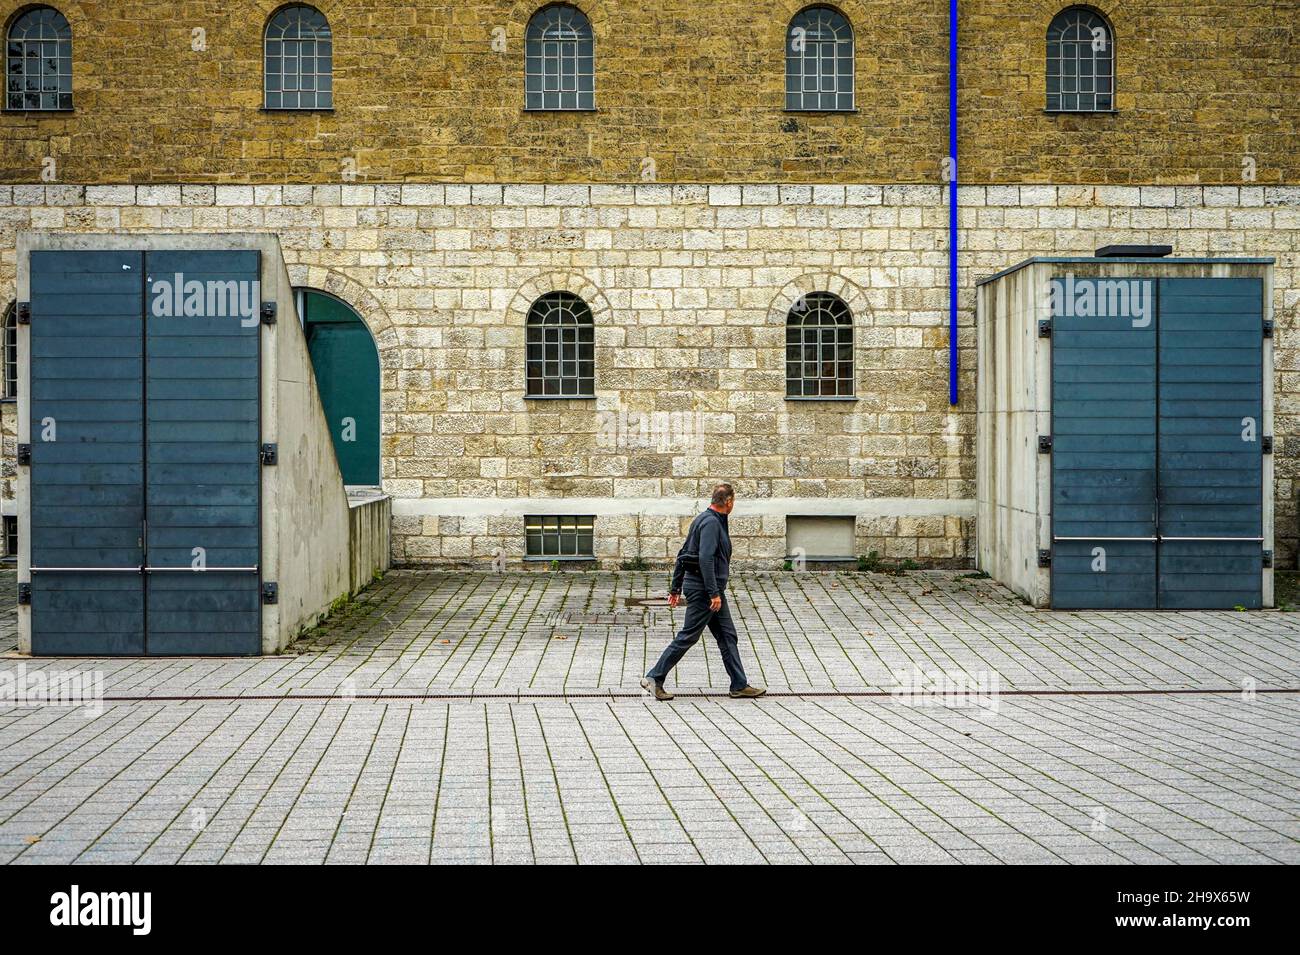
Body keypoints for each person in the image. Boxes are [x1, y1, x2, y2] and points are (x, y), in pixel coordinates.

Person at [641, 483, 766, 701]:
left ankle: (739, 684)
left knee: (727, 635)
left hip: (708, 588)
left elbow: (683, 554)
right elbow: (704, 559)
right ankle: (654, 678)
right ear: (728, 502)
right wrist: (713, 593)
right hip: (705, 590)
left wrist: (676, 587)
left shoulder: (704, 519)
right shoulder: (710, 523)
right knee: (689, 635)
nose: (733, 505)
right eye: (733, 501)